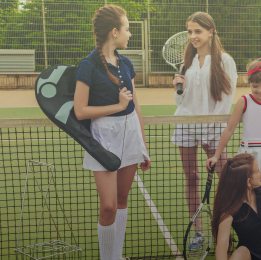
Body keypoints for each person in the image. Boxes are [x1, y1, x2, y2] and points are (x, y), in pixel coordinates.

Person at [73, 5, 150, 260]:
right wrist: (117, 105)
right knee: (107, 206)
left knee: (121, 199)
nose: (130, 34)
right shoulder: (88, 65)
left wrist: (143, 146)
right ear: (114, 31)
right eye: (127, 29)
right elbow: (81, 110)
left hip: (130, 134)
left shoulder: (126, 63)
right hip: (103, 138)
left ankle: (116, 256)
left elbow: (136, 105)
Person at [171, 11, 238, 249]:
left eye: (197, 31)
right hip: (186, 125)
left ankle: (229, 228)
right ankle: (197, 231)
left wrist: (213, 129)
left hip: (213, 127)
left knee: (226, 179)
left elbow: (226, 100)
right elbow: (181, 103)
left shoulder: (224, 61)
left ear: (211, 32)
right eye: (190, 31)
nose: (193, 36)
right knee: (191, 178)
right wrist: (178, 88)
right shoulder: (186, 61)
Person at [207, 58, 261, 217]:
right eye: (255, 86)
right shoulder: (244, 101)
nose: (260, 90)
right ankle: (250, 236)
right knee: (247, 198)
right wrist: (216, 155)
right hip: (248, 156)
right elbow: (229, 129)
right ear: (249, 83)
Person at [212, 153, 261, 260]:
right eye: (257, 171)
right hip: (250, 255)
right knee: (241, 251)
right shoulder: (229, 210)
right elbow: (222, 243)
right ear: (248, 182)